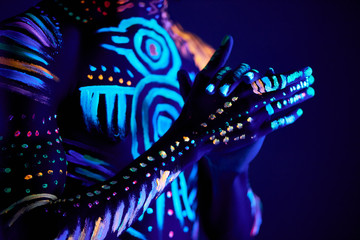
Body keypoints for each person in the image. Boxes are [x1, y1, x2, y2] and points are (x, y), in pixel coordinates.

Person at [0, 0, 315, 239]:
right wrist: (187, 142)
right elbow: (27, 229)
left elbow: (234, 232)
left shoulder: (201, 58)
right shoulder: (35, 41)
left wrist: (231, 170)